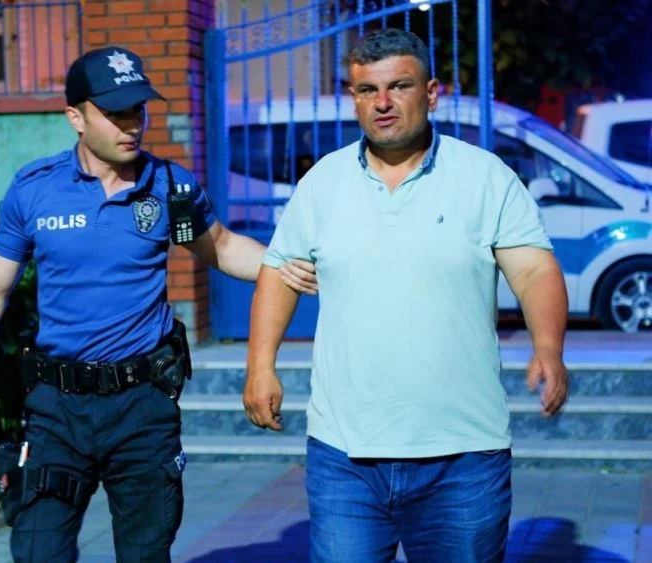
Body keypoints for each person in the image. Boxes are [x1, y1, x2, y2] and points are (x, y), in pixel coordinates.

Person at [0, 46, 317, 562]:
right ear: (76, 117)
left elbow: (222, 247)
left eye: (138, 109)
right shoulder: (34, 189)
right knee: (38, 551)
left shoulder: (170, 187)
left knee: (145, 554)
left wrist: (285, 265)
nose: (132, 124)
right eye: (115, 112)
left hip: (142, 406)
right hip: (56, 409)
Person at [243, 28, 569, 562]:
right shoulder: (322, 183)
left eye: (399, 86)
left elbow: (534, 270)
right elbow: (278, 272)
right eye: (367, 90)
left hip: (463, 456)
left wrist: (548, 348)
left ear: (431, 93)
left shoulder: (484, 177)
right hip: (345, 456)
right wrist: (260, 367)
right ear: (353, 98)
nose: (383, 103)